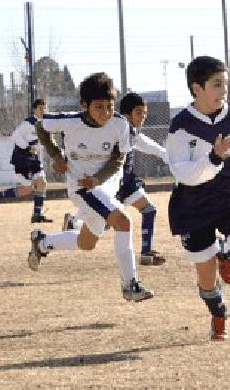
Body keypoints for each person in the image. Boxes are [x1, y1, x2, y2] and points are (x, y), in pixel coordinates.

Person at [27, 72, 155, 302]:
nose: (105, 113)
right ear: (84, 105)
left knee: (86, 243)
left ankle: (43, 241)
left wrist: (98, 179)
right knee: (123, 221)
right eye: (98, 107)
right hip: (81, 188)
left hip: (103, 188)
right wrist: (57, 155)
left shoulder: (120, 125)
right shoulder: (70, 121)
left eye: (109, 106)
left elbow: (119, 159)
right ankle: (130, 285)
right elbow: (40, 127)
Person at [166, 56, 230, 340]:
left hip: (227, 194)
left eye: (226, 84)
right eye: (217, 84)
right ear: (197, 89)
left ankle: (227, 252)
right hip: (192, 202)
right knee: (207, 280)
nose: (224, 91)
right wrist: (213, 157)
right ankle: (219, 313)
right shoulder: (181, 126)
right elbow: (183, 174)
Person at [62, 92, 170, 266]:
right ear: (127, 115)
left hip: (127, 183)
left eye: (144, 113)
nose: (143, 117)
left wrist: (164, 154)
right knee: (103, 225)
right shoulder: (117, 129)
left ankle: (146, 252)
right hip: (111, 185)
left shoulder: (131, 131)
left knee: (148, 210)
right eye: (138, 112)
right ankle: (74, 223)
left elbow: (143, 142)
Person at [0, 99, 54, 223]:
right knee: (28, 188)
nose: (43, 111)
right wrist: (27, 147)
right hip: (22, 159)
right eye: (40, 108)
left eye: (45, 108)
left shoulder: (45, 125)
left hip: (34, 159)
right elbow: (15, 135)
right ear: (34, 110)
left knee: (42, 182)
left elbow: (43, 143)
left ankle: (37, 215)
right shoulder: (29, 122)